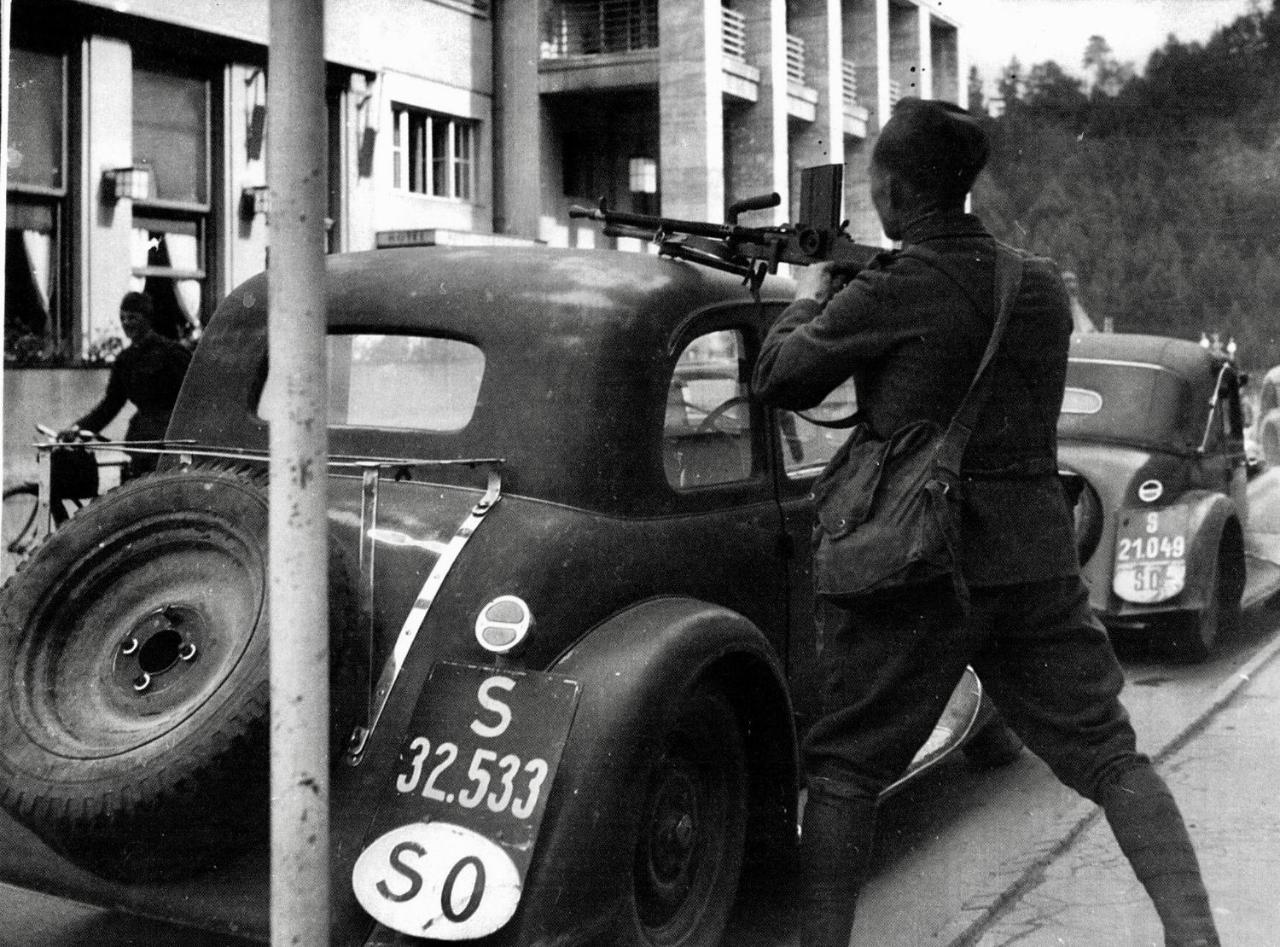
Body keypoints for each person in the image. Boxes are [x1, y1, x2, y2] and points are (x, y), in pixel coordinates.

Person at [753, 97, 1219, 947]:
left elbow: (780, 374)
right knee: (1110, 753)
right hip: (1033, 557)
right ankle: (1196, 935)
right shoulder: (1034, 282)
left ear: (892, 193)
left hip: (916, 567)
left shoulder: (895, 286)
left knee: (846, 770)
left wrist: (811, 290)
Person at [59, 291, 192, 479]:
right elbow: (111, 404)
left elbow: (194, 395)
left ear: (147, 319)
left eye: (132, 317)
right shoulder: (125, 360)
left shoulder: (171, 352)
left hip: (170, 442)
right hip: (141, 442)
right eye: (122, 318)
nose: (126, 323)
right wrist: (79, 428)